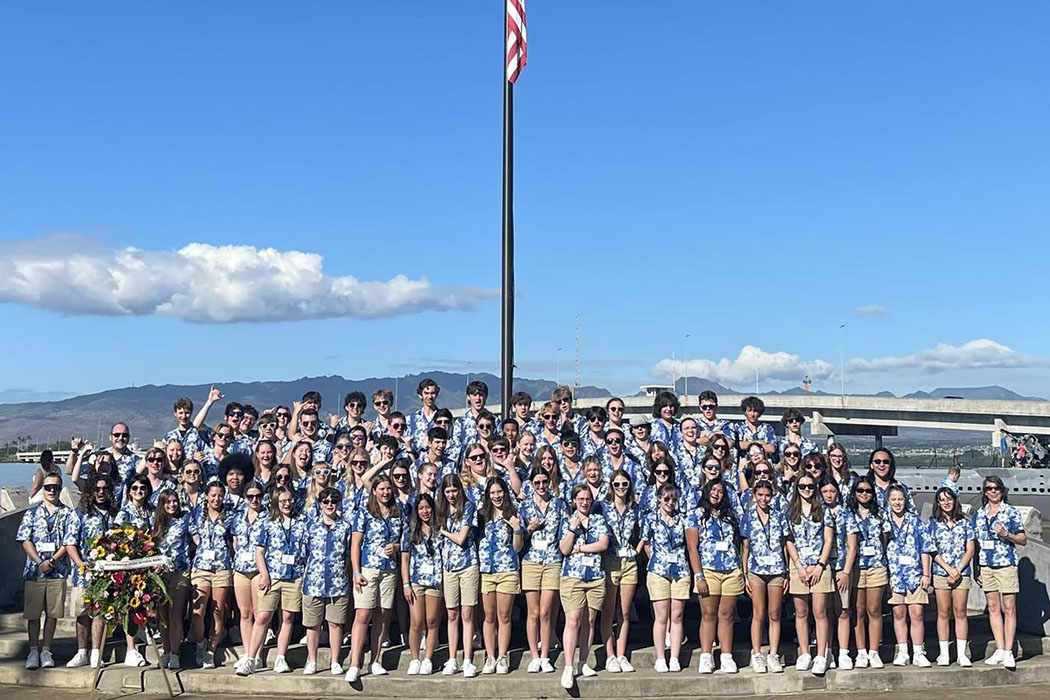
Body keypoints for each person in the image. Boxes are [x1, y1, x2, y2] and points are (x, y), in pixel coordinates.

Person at [241, 485, 307, 676]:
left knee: (287, 617)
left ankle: (280, 657)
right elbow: (259, 552)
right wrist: (264, 574)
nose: (287, 504)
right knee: (263, 616)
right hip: (273, 576)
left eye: (289, 500)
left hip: (294, 576)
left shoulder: (301, 522)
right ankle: (251, 657)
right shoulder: (268, 523)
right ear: (276, 502)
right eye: (283, 501)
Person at [345, 476, 403, 683]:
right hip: (368, 569)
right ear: (375, 491)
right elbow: (355, 544)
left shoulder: (399, 512)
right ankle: (355, 663)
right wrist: (356, 571)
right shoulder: (365, 512)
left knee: (383, 614)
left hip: (389, 570)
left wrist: (396, 547)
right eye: (382, 489)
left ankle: (375, 660)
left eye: (388, 488)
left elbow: (404, 540)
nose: (386, 492)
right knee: (363, 614)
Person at [686, 479, 743, 674]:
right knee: (708, 614)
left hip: (731, 570)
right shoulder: (696, 515)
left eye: (720, 490)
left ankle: (726, 656)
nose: (716, 493)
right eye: (713, 489)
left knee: (726, 615)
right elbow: (692, 548)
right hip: (708, 570)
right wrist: (699, 576)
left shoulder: (731, 516)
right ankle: (706, 655)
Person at [558, 484, 610, 689]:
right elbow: (564, 549)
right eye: (580, 499)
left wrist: (579, 548)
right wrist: (573, 528)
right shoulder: (567, 520)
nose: (584, 502)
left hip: (595, 576)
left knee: (590, 620)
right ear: (574, 500)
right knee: (573, 620)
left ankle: (583, 661)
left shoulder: (599, 520)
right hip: (573, 576)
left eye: (587, 499)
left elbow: (603, 544)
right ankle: (569, 666)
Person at [63, 475, 117, 669]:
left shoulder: (114, 514)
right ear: (91, 491)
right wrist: (80, 565)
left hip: (108, 573)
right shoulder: (79, 513)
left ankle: (96, 652)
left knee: (100, 611)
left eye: (104, 489)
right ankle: (81, 651)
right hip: (84, 572)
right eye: (97, 489)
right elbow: (70, 543)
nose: (101, 492)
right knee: (83, 612)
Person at [18, 472, 70, 670]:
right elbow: (25, 539)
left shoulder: (67, 514)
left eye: (55, 487)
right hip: (34, 571)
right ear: (43, 489)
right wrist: (40, 561)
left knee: (52, 613)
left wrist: (53, 560)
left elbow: (69, 540)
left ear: (60, 489)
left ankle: (47, 649)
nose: (51, 491)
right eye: (48, 487)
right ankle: (33, 649)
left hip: (57, 571)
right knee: (33, 614)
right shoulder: (31, 513)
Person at [973, 475, 1026, 669]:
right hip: (986, 565)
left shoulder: (1010, 512)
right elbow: (975, 544)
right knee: (993, 608)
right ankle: (1000, 648)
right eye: (989, 488)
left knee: (1009, 607)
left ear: (1002, 491)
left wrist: (1007, 535)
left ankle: (1009, 650)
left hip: (1006, 564)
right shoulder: (979, 514)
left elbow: (1023, 539)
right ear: (984, 492)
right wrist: (976, 569)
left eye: (996, 488)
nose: (993, 491)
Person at [785, 475, 835, 675]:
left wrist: (820, 565)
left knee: (820, 612)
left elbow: (828, 540)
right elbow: (789, 540)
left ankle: (821, 655)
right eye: (802, 486)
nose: (806, 489)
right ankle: (805, 653)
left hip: (819, 566)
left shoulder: (824, 511)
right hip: (798, 567)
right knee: (801, 612)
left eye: (810, 486)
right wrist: (798, 566)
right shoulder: (790, 512)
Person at [519, 466, 565, 673]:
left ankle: (545, 655)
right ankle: (534, 656)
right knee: (534, 612)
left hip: (553, 560)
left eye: (544, 482)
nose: (541, 486)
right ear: (531, 484)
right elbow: (518, 537)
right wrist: (529, 529)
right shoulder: (525, 507)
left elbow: (564, 532)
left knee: (546, 611)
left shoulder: (559, 504)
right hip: (531, 561)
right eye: (536, 483)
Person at [740, 478, 789, 674]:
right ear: (754, 495)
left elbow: (784, 545)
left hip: (776, 569)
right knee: (758, 613)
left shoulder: (779, 516)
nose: (764, 499)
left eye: (767, 495)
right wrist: (745, 575)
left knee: (775, 614)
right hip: (756, 570)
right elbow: (745, 547)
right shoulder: (748, 517)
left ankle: (774, 653)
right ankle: (757, 653)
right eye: (760, 495)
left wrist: (786, 573)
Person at [302, 487, 351, 676]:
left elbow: (348, 554)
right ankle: (312, 660)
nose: (330, 505)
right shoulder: (311, 526)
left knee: (335, 624)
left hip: (338, 583)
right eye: (326, 501)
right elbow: (304, 552)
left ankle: (335, 660)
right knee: (312, 624)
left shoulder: (345, 527)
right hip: (314, 582)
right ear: (320, 504)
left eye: (333, 501)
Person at [641, 482, 689, 673]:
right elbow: (645, 543)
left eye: (673, 499)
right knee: (661, 616)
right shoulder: (650, 519)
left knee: (677, 616)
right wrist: (656, 558)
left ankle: (675, 657)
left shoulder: (683, 519)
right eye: (666, 498)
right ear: (659, 499)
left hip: (680, 571)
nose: (670, 502)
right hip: (659, 570)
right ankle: (661, 656)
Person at [477, 477, 524, 674]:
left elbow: (517, 547)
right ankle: (490, 656)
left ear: (505, 492)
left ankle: (502, 656)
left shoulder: (513, 514)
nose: (496, 496)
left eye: (499, 492)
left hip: (507, 570)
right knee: (489, 616)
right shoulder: (481, 516)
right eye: (492, 492)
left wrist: (517, 529)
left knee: (504, 616)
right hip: (487, 571)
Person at [436, 474, 480, 678]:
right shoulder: (440, 510)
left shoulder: (468, 507)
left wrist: (444, 532)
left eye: (454, 491)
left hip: (468, 564)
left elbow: (462, 538)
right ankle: (452, 658)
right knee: (452, 614)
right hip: (448, 567)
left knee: (467, 613)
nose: (451, 495)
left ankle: (468, 659)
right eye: (448, 491)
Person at [886, 484, 934, 667]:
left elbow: (925, 549)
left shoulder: (915, 522)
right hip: (895, 575)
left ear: (905, 500)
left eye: (900, 499)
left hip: (915, 575)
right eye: (894, 499)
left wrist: (926, 573)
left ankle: (919, 652)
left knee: (917, 613)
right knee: (898, 613)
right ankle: (903, 651)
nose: (897, 503)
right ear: (889, 501)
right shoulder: (885, 523)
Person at [598, 469, 640, 673]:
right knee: (608, 611)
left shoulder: (635, 509)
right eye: (617, 485)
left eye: (624, 484)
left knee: (623, 611)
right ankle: (610, 655)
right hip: (610, 562)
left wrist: (638, 549)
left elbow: (644, 532)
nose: (621, 488)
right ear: (611, 487)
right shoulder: (602, 508)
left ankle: (621, 653)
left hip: (629, 562)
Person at [927, 486, 974, 666]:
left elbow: (970, 549)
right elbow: (932, 550)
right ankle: (944, 652)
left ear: (955, 501)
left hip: (961, 573)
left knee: (960, 611)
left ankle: (962, 654)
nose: (946, 503)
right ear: (938, 503)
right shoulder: (933, 524)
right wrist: (948, 569)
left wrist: (958, 569)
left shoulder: (965, 523)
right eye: (942, 499)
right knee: (943, 612)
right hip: (941, 573)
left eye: (949, 499)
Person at [189, 481, 234, 669]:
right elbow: (193, 535)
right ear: (206, 496)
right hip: (201, 567)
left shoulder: (229, 516)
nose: (216, 499)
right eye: (213, 495)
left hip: (221, 568)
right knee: (198, 612)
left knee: (218, 612)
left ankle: (211, 651)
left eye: (220, 495)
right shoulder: (197, 514)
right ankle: (200, 643)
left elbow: (233, 541)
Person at [849, 476, 890, 669]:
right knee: (858, 611)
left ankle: (873, 651)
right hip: (856, 567)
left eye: (868, 491)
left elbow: (885, 539)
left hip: (876, 566)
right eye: (860, 490)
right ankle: (861, 651)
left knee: (874, 610)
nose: (864, 494)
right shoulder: (849, 514)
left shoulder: (880, 514)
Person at [401, 493, 444, 675]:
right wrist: (406, 584)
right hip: (417, 580)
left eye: (427, 507)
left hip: (435, 581)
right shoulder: (410, 531)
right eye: (421, 508)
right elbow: (404, 560)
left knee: (432, 621)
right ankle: (415, 658)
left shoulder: (440, 529)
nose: (425, 511)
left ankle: (428, 658)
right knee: (417, 622)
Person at [819, 477, 859, 670]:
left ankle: (843, 652)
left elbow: (852, 546)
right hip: (823, 567)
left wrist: (846, 571)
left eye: (832, 491)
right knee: (824, 612)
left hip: (842, 567)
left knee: (842, 610)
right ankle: (827, 651)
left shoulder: (847, 514)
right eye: (825, 491)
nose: (828, 495)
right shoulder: (818, 513)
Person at [152, 489, 192, 669]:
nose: (172, 505)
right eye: (168, 502)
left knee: (175, 613)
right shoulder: (156, 524)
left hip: (180, 571)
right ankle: (167, 651)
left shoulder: (185, 519)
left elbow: (195, 539)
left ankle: (175, 652)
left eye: (175, 501)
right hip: (160, 574)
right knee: (163, 614)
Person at [230, 480, 267, 671]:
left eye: (258, 496)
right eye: (250, 496)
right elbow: (235, 541)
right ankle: (247, 652)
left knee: (259, 613)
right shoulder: (237, 517)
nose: (254, 500)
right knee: (244, 613)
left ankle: (257, 654)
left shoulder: (268, 517)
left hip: (259, 569)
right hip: (240, 568)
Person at [407, 379, 442, 453]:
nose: (430, 396)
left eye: (432, 393)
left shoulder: (442, 418)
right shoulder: (411, 419)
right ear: (420, 395)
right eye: (426, 393)